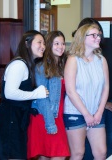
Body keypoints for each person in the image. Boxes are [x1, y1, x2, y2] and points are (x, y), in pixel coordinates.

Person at [72, 18, 112, 159]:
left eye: (98, 32)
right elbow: (75, 89)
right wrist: (101, 105)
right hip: (90, 106)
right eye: (93, 33)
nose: (97, 36)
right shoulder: (75, 58)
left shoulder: (107, 49)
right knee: (86, 144)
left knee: (110, 138)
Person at [0, 30, 48, 159]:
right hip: (9, 120)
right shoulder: (19, 64)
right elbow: (10, 93)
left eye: (44, 43)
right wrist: (36, 94)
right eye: (39, 42)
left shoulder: (27, 65)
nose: (43, 46)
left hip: (17, 120)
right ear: (27, 44)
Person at [63, 23, 109, 160]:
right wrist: (86, 114)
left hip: (96, 113)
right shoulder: (72, 60)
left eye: (99, 35)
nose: (98, 38)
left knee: (101, 153)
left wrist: (99, 112)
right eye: (93, 35)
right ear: (82, 38)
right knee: (78, 154)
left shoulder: (101, 60)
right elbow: (70, 91)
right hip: (76, 112)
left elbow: (106, 87)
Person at [27, 31, 70, 160]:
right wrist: (50, 123)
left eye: (62, 43)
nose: (60, 46)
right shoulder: (42, 67)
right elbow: (42, 97)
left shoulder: (62, 65)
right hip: (46, 116)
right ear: (49, 45)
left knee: (46, 156)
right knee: (59, 155)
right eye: (56, 43)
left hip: (58, 115)